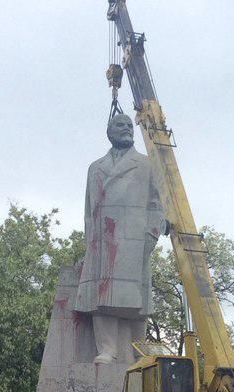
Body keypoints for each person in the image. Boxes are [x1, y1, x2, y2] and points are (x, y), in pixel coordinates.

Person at [73, 113, 164, 364]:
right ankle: (108, 349)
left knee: (136, 299)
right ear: (109, 131)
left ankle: (138, 350)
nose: (126, 128)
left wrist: (151, 234)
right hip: (102, 239)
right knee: (101, 298)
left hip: (134, 237)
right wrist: (90, 241)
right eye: (120, 125)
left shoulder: (146, 164)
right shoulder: (95, 167)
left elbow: (157, 203)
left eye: (128, 125)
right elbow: (88, 209)